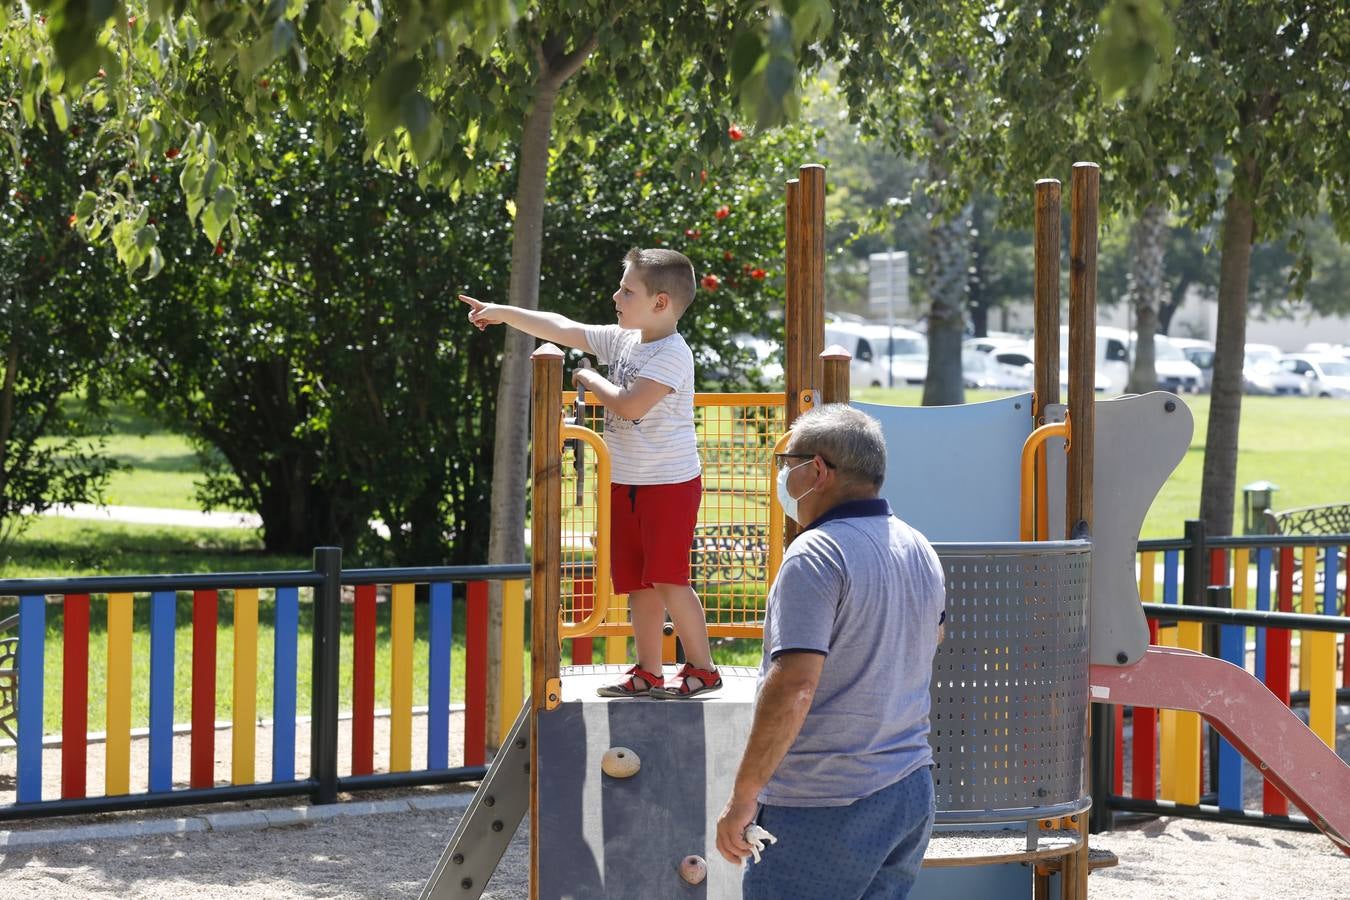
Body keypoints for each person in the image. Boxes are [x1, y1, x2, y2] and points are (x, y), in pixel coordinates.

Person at [459, 247, 720, 699]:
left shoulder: (673, 354)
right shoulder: (624, 339)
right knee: (638, 582)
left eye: (627, 290)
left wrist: (587, 377)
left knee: (669, 578)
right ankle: (649, 671)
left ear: (660, 303)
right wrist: (502, 313)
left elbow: (631, 404)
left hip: (668, 485)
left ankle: (702, 668)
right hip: (626, 482)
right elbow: (563, 327)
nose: (615, 296)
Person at [715, 404, 945, 898]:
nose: (782, 476)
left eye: (788, 462)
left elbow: (795, 687)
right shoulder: (918, 545)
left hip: (825, 799)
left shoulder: (816, 554)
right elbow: (931, 639)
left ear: (816, 470)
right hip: (909, 787)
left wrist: (743, 798)